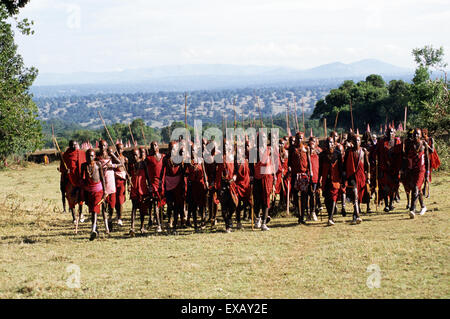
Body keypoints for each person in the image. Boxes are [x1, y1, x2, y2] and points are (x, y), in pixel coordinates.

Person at [81, 149, 107, 240]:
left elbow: (102, 178)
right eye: (88, 156)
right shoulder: (84, 166)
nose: (90, 158)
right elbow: (82, 179)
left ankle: (93, 230)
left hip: (98, 190)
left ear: (94, 156)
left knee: (95, 210)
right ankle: (96, 229)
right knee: (92, 210)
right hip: (88, 191)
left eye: (92, 156)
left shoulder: (98, 164)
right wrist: (82, 191)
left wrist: (105, 191)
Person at [343, 132, 370, 225]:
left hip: (361, 176)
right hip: (352, 176)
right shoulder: (348, 151)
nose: (357, 142)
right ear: (352, 142)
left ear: (360, 141)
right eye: (355, 140)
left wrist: (368, 177)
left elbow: (367, 165)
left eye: (358, 140)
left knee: (359, 196)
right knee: (355, 194)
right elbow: (344, 164)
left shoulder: (363, 151)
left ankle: (354, 215)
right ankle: (358, 215)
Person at [376, 127, 402, 212]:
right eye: (389, 132)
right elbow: (377, 152)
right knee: (385, 187)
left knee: (394, 187)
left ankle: (391, 204)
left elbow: (400, 153)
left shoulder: (397, 141)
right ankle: (386, 205)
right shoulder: (382, 142)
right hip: (384, 169)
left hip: (394, 169)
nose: (391, 134)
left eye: (392, 132)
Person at [161, 141, 185, 233]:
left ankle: (175, 222)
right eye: (170, 148)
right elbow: (162, 171)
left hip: (178, 184)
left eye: (174, 148)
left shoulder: (180, 158)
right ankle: (169, 220)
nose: (172, 150)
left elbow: (183, 172)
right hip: (168, 183)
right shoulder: (165, 159)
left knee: (177, 204)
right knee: (170, 204)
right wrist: (160, 182)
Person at [319, 137, 344, 226]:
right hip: (326, 179)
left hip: (335, 179)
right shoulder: (322, 155)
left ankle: (330, 217)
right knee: (327, 199)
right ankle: (330, 215)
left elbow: (341, 167)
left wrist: (342, 179)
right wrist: (319, 180)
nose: (329, 144)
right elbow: (320, 169)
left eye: (331, 142)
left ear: (333, 143)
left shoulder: (337, 154)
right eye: (328, 143)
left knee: (334, 197)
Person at [60, 140, 86, 224]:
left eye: (76, 144)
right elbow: (62, 168)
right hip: (70, 179)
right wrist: (65, 170)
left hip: (79, 178)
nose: (74, 146)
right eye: (72, 145)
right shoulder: (66, 155)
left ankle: (81, 214)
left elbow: (85, 164)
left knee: (81, 197)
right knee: (70, 198)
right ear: (70, 146)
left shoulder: (81, 153)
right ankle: (74, 217)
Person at [215, 139, 238, 233]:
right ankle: (227, 225)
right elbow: (214, 169)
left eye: (227, 145)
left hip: (231, 182)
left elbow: (236, 168)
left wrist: (235, 176)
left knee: (234, 204)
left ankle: (229, 218)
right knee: (224, 205)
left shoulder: (233, 156)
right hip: (222, 183)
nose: (226, 146)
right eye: (224, 145)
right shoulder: (218, 157)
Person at [288, 132, 311, 225]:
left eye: (301, 138)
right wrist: (289, 167)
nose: (300, 140)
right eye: (298, 138)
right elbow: (289, 161)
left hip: (304, 174)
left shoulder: (306, 148)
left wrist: (311, 171)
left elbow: (309, 160)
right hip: (295, 174)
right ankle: (298, 213)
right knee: (296, 195)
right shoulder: (292, 149)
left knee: (304, 195)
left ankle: (303, 215)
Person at [406, 128, 429, 219]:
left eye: (418, 134)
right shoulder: (410, 145)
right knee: (417, 189)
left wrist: (427, 174)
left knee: (416, 188)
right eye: (414, 134)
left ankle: (412, 209)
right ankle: (423, 206)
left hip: (421, 170)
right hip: (412, 171)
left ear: (420, 135)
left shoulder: (424, 144)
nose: (416, 136)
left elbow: (427, 160)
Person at [128, 148, 152, 235]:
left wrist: (149, 186)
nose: (134, 156)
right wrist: (129, 184)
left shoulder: (143, 163)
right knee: (134, 208)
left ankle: (142, 227)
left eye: (136, 154)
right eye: (133, 155)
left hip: (142, 188)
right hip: (134, 188)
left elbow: (148, 176)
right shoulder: (131, 165)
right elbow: (128, 176)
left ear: (139, 155)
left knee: (142, 209)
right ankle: (132, 227)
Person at [146, 141, 165, 233]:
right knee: (155, 204)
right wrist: (148, 183)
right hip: (153, 184)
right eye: (152, 145)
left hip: (162, 183)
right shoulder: (148, 158)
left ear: (158, 146)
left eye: (155, 145)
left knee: (161, 204)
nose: (154, 147)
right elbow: (145, 172)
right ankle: (158, 224)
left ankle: (162, 220)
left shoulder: (163, 157)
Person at [113, 142, 128, 226]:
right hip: (114, 180)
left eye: (121, 149)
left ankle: (120, 217)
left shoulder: (125, 159)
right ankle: (117, 214)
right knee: (115, 200)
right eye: (118, 149)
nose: (119, 150)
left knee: (120, 200)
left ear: (123, 149)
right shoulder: (112, 158)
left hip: (122, 181)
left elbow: (127, 170)